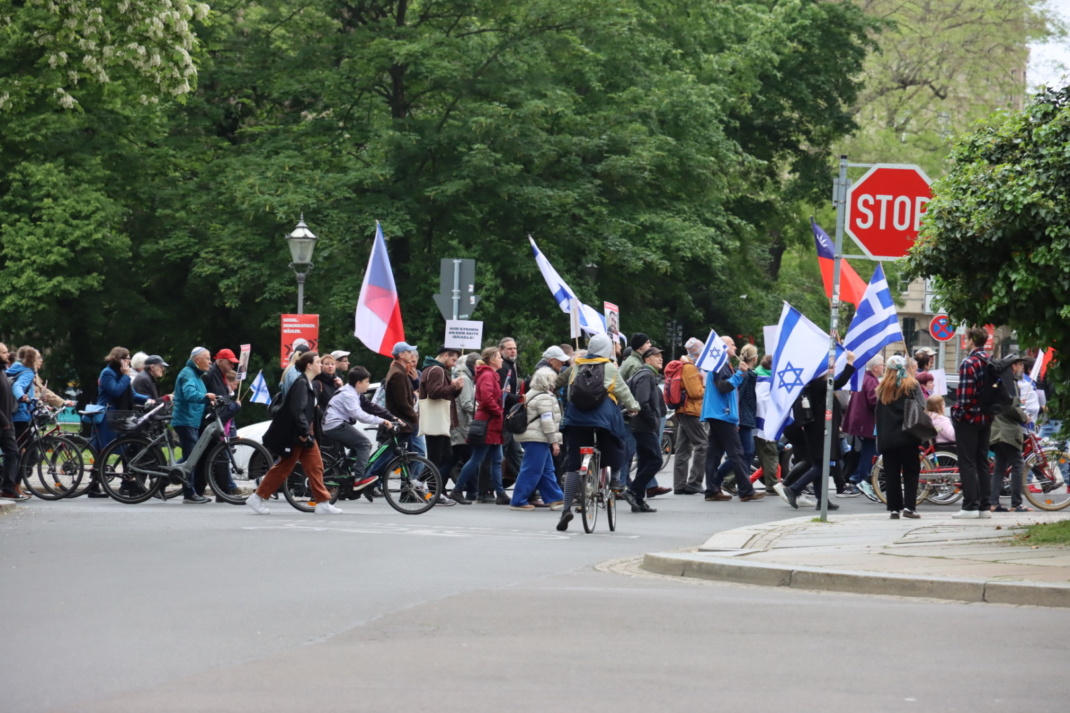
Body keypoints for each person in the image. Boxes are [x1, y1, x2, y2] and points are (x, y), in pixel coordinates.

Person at [556, 333, 640, 531]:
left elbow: (569, 393)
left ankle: (566, 508)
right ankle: (616, 480)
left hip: (576, 418)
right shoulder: (609, 367)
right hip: (603, 418)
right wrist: (634, 406)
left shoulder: (576, 364)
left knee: (573, 462)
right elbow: (623, 392)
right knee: (618, 443)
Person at [248, 351, 341, 515]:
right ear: (309, 365)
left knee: (316, 466)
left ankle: (322, 502)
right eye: (318, 362)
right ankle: (257, 497)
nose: (321, 364)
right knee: (283, 468)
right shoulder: (301, 383)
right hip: (297, 434)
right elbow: (296, 410)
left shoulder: (307, 382)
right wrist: (304, 431)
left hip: (304, 433)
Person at [774, 352, 857, 511]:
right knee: (823, 464)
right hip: (821, 431)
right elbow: (840, 381)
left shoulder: (817, 384)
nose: (829, 370)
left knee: (819, 464)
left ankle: (822, 500)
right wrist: (850, 363)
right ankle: (794, 488)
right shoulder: (820, 385)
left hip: (818, 430)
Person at [702, 336, 766, 503]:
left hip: (718, 413)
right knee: (737, 453)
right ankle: (746, 490)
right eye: (732, 345)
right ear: (723, 347)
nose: (735, 348)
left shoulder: (720, 364)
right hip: (722, 414)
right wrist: (739, 374)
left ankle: (712, 490)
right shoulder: (720, 365)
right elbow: (724, 387)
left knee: (714, 454)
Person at [321, 366, 395, 496]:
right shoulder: (349, 395)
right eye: (367, 381)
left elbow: (370, 407)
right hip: (335, 425)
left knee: (358, 445)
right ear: (358, 383)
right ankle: (359, 479)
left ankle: (343, 472)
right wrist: (382, 421)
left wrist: (390, 417)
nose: (368, 384)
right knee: (364, 444)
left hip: (335, 424)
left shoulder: (354, 392)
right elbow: (359, 415)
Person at [450, 347, 508, 505]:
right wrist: (498, 412)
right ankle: (457, 490)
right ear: (491, 360)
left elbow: (488, 396)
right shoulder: (488, 375)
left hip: (491, 422)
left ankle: (501, 493)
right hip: (489, 422)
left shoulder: (489, 375)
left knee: (496, 459)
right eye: (499, 357)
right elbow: (486, 399)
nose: (502, 359)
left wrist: (501, 392)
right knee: (477, 458)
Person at [951, 327, 994, 519]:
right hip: (987, 417)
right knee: (982, 461)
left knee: (967, 461)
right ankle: (985, 506)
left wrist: (957, 413)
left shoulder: (969, 363)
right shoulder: (991, 361)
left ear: (970, 341)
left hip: (969, 419)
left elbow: (965, 397)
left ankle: (970, 505)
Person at [874, 355, 925, 519]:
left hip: (888, 437)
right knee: (911, 471)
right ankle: (910, 507)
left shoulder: (882, 388)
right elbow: (922, 406)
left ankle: (894, 509)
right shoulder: (912, 385)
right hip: (908, 435)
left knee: (891, 473)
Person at [510, 367, 566, 511]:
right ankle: (518, 500)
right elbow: (547, 421)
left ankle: (556, 498)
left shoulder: (531, 393)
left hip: (533, 436)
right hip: (537, 437)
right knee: (532, 469)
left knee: (546, 469)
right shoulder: (545, 397)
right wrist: (554, 442)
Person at [622, 347, 667, 513]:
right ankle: (633, 490)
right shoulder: (645, 375)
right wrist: (653, 420)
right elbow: (642, 401)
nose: (660, 358)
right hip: (643, 425)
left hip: (640, 425)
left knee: (645, 461)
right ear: (647, 359)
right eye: (656, 356)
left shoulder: (646, 375)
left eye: (661, 356)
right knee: (656, 460)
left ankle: (638, 500)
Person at [172, 347, 218, 504]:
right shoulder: (188, 374)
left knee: (190, 456)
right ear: (197, 360)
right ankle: (189, 493)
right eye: (207, 358)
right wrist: (205, 397)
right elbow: (189, 394)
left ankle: (164, 479)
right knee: (191, 458)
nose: (210, 362)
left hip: (191, 420)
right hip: (185, 420)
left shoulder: (196, 375)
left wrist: (209, 400)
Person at [989, 355, 1032, 513]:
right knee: (1018, 464)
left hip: (996, 430)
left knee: (1000, 467)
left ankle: (993, 502)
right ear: (1013, 366)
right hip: (1007, 431)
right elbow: (1012, 407)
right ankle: (1017, 503)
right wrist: (1024, 416)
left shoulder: (998, 381)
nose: (1021, 368)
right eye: (1020, 365)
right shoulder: (1010, 383)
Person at [840, 355, 884, 498]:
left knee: (865, 451)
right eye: (882, 364)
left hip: (861, 423)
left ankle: (858, 478)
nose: (883, 367)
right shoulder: (871, 381)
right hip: (866, 423)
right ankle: (863, 479)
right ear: (876, 367)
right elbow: (874, 402)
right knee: (869, 452)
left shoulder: (865, 378)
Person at [419, 346, 464, 483]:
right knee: (436, 458)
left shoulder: (435, 369)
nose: (454, 364)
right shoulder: (437, 370)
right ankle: (420, 484)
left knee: (444, 456)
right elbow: (434, 393)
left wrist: (456, 389)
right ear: (445, 355)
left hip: (438, 418)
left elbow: (444, 392)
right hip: (436, 419)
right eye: (453, 359)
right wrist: (453, 387)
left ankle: (430, 488)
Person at [719, 343, 759, 494]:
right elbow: (737, 396)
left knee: (744, 453)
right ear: (754, 358)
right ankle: (719, 478)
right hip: (742, 417)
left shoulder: (746, 372)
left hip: (745, 416)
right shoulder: (743, 373)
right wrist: (735, 418)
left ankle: (742, 485)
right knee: (744, 452)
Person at [672, 337, 708, 495]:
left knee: (682, 448)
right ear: (698, 352)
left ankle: (679, 485)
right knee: (702, 445)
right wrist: (706, 389)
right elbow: (696, 392)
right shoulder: (690, 367)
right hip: (691, 410)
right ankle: (694, 482)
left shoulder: (682, 364)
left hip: (683, 410)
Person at [383, 341, 420, 447]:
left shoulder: (398, 371)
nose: (411, 354)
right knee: (390, 454)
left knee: (395, 454)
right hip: (401, 421)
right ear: (401, 355)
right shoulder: (398, 374)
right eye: (408, 351)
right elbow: (402, 402)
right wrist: (414, 417)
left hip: (401, 420)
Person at [0, 343, 24, 500]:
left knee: (12, 453)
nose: (7, 354)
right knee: (12, 453)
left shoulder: (3, 371)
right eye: (4, 352)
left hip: (7, 420)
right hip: (3, 421)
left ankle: (8, 487)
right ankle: (8, 487)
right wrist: (4, 419)